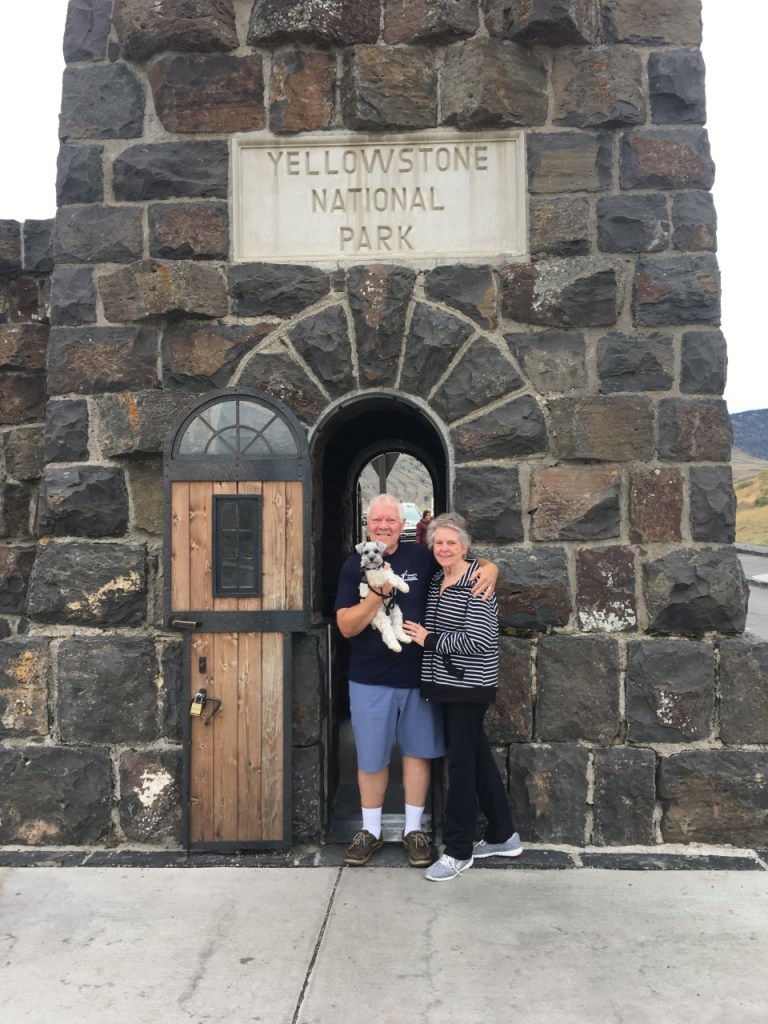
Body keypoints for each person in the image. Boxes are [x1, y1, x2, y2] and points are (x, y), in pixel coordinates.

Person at [334, 494, 498, 868]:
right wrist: (377, 595)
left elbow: (460, 559)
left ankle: (413, 830)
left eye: (391, 520)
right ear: (367, 525)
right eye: (377, 520)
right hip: (368, 678)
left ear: (401, 525)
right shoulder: (353, 565)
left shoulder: (422, 558)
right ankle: (370, 830)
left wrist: (491, 568)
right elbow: (346, 626)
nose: (384, 526)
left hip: (418, 678)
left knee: (418, 754)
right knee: (371, 758)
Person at [403, 512, 522, 882]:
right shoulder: (438, 578)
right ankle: (503, 834)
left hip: (468, 688)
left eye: (451, 542)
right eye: (439, 542)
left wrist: (429, 640)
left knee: (460, 766)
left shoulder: (476, 582)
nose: (444, 548)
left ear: (465, 546)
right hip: (447, 686)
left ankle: (458, 851)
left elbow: (479, 640)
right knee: (477, 758)